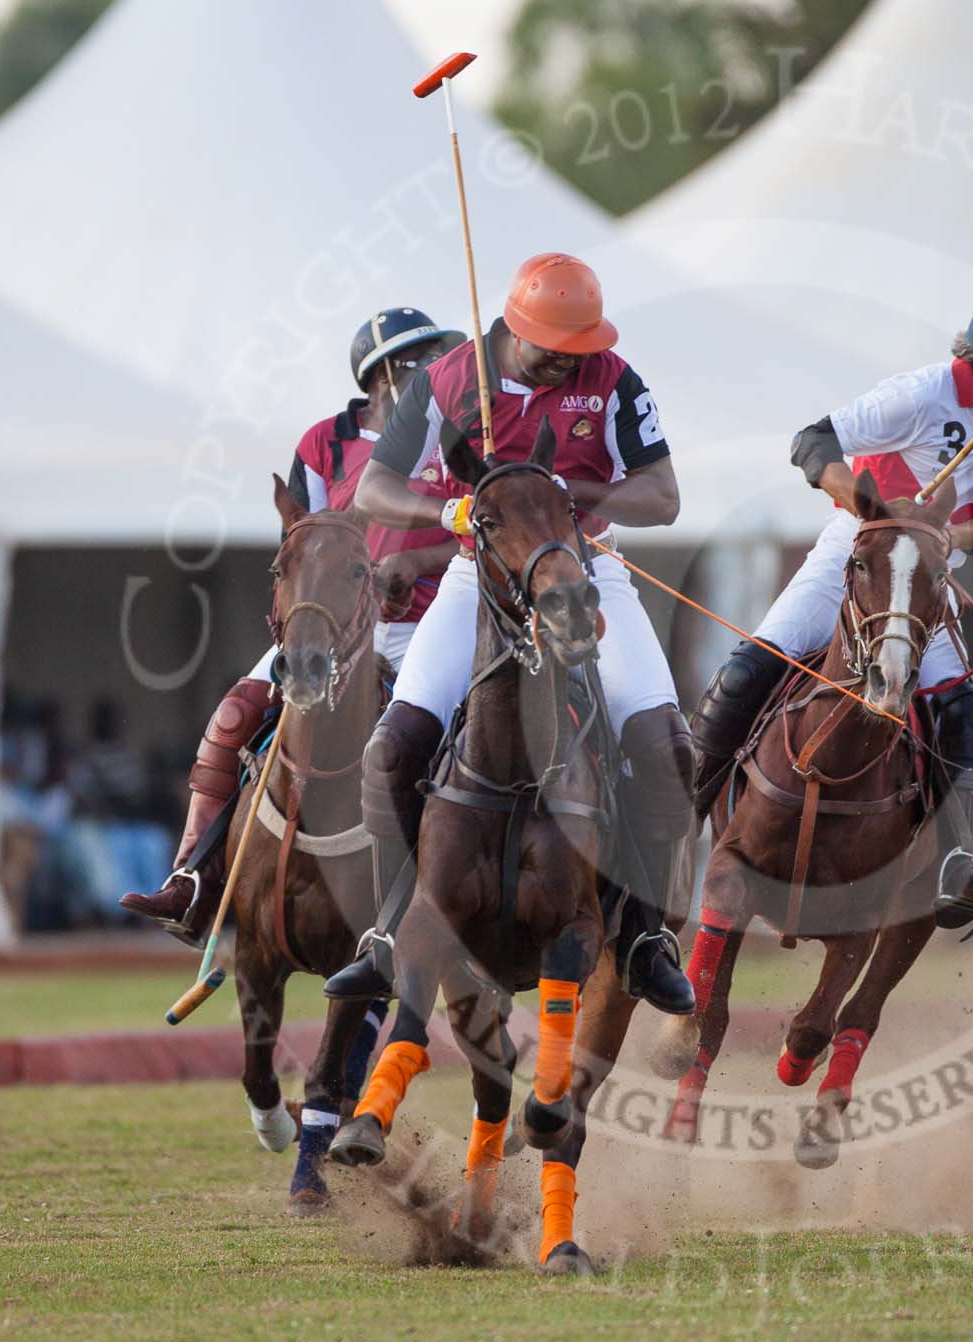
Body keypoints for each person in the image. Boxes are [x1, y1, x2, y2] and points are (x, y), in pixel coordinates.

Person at [323, 253, 697, 1014]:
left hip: (584, 568)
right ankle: (393, 927)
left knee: (663, 743)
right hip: (478, 575)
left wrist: (573, 491)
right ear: (518, 329)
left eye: (582, 347)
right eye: (557, 347)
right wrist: (450, 512)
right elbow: (374, 486)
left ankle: (645, 933)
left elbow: (664, 496)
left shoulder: (613, 379)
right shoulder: (450, 380)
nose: (571, 361)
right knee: (393, 748)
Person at [690, 285, 973, 929]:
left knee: (966, 712)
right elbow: (813, 442)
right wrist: (870, 510)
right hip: (857, 554)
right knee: (747, 670)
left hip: (927, 578)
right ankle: (676, 830)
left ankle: (958, 856)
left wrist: (953, 537)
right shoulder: (918, 394)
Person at [120, 307, 464, 942]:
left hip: (430, 618)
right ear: (383, 373)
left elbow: (481, 531)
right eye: (425, 359)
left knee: (444, 737)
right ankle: (192, 877)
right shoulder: (322, 443)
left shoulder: (458, 438)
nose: (440, 371)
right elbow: (301, 541)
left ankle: (440, 895)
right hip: (333, 629)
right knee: (236, 712)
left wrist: (413, 561)